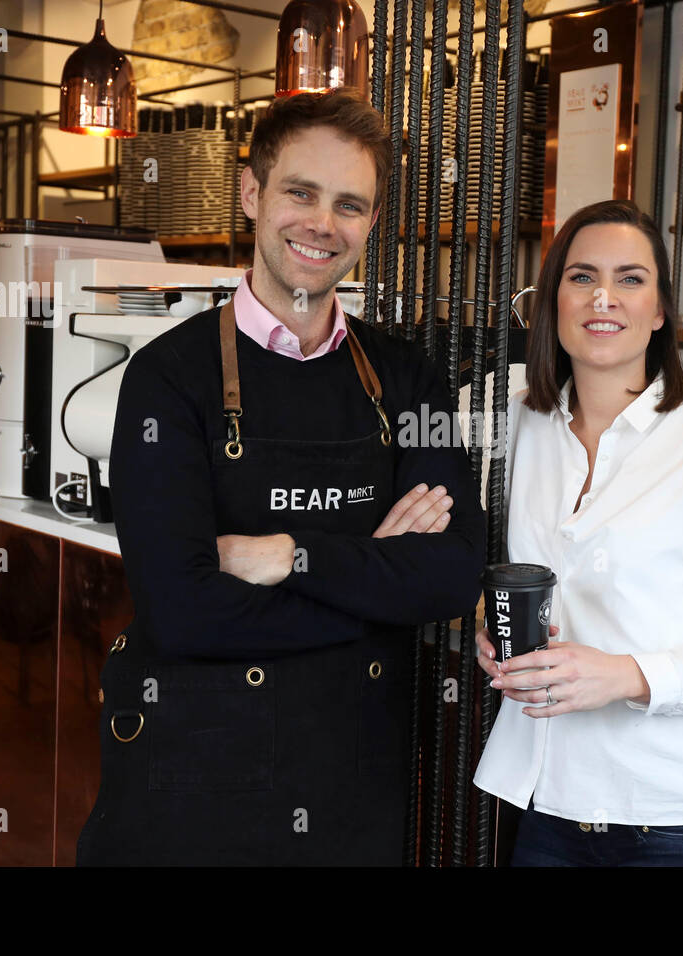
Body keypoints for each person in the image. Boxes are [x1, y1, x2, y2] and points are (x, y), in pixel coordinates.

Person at [77, 88, 485, 866]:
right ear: (251, 194)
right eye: (300, 193)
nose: (322, 224)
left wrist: (286, 556)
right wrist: (378, 583)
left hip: (351, 790)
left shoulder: (407, 380)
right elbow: (184, 613)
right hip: (196, 788)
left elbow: (452, 574)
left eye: (350, 204)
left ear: (369, 222)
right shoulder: (167, 378)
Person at [472, 199, 683, 866]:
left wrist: (624, 676)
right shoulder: (515, 431)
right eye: (582, 276)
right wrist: (487, 620)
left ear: (660, 311)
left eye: (631, 279)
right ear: (551, 301)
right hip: (552, 810)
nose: (603, 298)